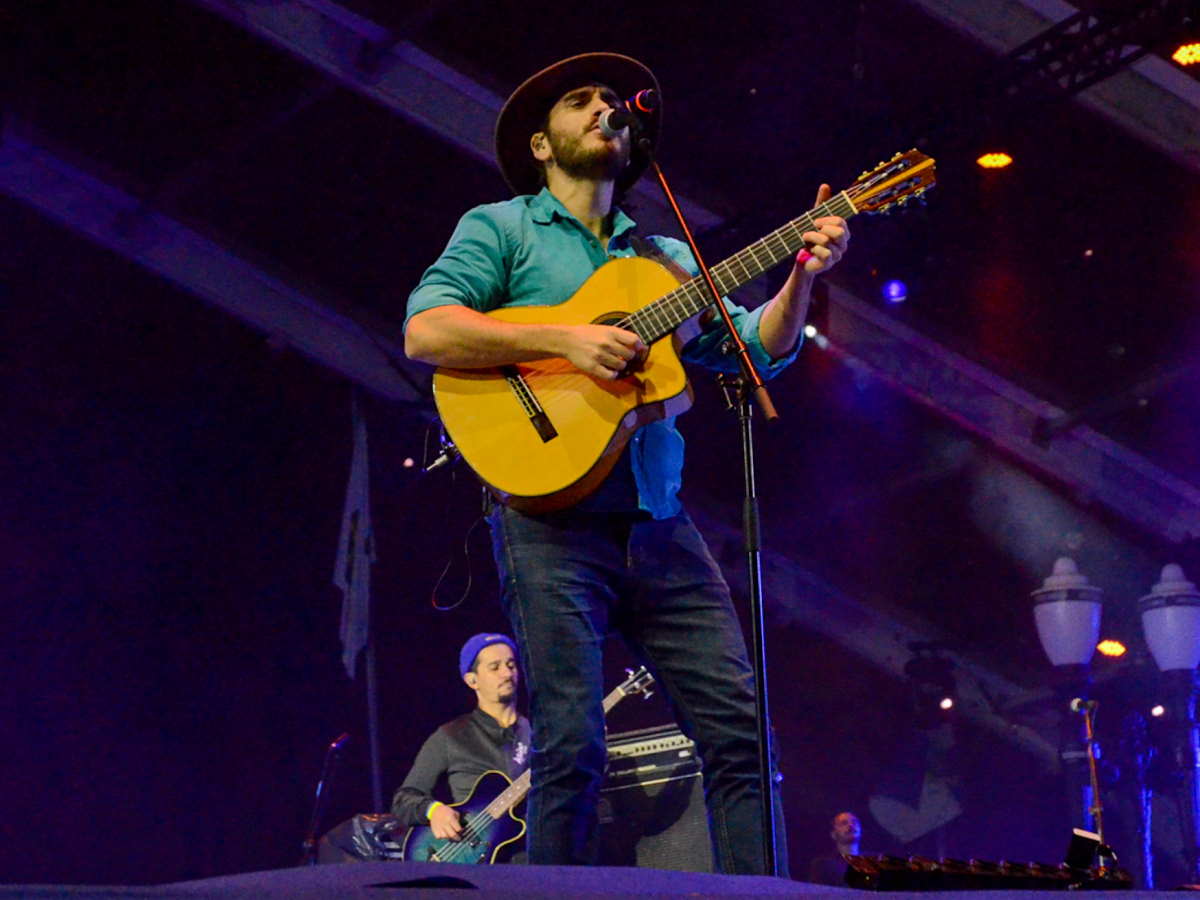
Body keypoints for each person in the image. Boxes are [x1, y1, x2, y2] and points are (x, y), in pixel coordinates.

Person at [404, 53, 849, 874]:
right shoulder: (501, 229)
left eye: (614, 100)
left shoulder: (667, 257)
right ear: (542, 143)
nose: (606, 108)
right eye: (582, 101)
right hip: (549, 522)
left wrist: (802, 277)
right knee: (571, 745)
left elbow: (757, 352)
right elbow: (427, 331)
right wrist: (565, 337)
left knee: (741, 734)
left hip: (658, 521)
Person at [317, 633, 529, 862]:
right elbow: (403, 799)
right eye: (494, 667)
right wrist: (434, 810)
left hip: (528, 854)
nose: (507, 673)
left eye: (511, 665)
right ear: (472, 680)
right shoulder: (450, 736)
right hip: (468, 858)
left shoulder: (539, 737)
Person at [808, 811, 863, 885]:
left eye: (854, 822)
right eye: (844, 823)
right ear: (833, 834)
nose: (851, 825)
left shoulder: (875, 860)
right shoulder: (822, 865)